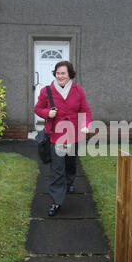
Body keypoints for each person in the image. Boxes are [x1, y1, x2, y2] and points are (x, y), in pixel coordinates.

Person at [34, 61, 92, 216]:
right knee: (57, 169)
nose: (60, 76)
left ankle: (70, 181)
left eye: (63, 73)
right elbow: (38, 109)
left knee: (71, 163)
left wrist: (86, 124)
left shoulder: (78, 90)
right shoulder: (47, 91)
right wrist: (48, 113)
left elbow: (85, 110)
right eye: (58, 73)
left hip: (74, 135)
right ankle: (56, 201)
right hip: (55, 137)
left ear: (70, 74)